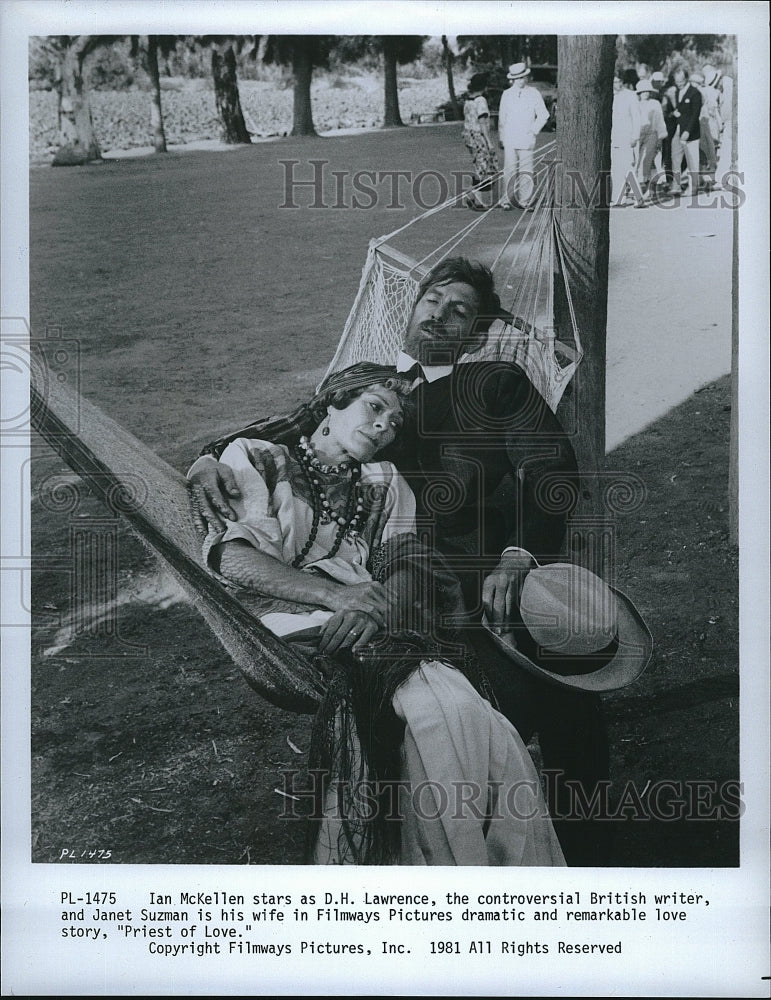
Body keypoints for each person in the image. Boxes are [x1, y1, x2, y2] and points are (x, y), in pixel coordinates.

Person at [189, 257, 611, 865]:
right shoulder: (374, 388)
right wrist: (207, 457)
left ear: (480, 331)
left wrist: (519, 556)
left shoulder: (496, 382)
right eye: (433, 300)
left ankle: (585, 847)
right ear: (411, 308)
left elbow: (551, 472)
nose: (440, 315)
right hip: (382, 571)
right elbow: (292, 430)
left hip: (481, 571)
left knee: (563, 680)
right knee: (436, 700)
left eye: (460, 310)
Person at [497, 62, 550, 211]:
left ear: (526, 77)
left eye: (523, 77)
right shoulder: (506, 94)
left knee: (526, 170)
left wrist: (533, 130)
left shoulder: (534, 93)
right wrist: (502, 137)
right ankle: (506, 199)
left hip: (526, 138)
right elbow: (502, 118)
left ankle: (525, 200)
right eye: (517, 78)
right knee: (509, 169)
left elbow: (544, 115)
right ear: (512, 79)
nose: (521, 81)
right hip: (510, 138)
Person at [461, 72, 499, 211]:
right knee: (482, 167)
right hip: (478, 136)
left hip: (468, 136)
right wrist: (489, 141)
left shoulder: (468, 100)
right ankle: (477, 199)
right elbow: (482, 122)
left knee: (479, 165)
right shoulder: (480, 100)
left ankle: (472, 196)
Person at [668, 65, 702, 197]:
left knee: (692, 160)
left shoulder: (695, 93)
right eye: (677, 82)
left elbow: (695, 114)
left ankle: (693, 188)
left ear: (686, 79)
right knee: (675, 158)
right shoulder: (677, 91)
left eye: (681, 82)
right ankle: (676, 186)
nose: (679, 85)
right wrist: (676, 113)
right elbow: (681, 109)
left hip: (691, 132)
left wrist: (688, 131)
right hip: (678, 129)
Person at [611, 70, 640, 206]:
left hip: (627, 136)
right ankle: (618, 198)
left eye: (619, 81)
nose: (617, 84)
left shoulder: (630, 95)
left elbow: (636, 117)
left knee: (628, 166)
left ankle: (638, 197)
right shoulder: (609, 96)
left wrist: (635, 135)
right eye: (614, 82)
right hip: (614, 137)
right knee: (616, 169)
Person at [635, 79, 667, 203]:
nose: (646, 94)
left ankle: (649, 190)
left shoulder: (655, 103)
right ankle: (639, 189)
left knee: (649, 161)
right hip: (638, 135)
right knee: (637, 162)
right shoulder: (635, 104)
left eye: (647, 91)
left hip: (652, 134)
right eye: (643, 92)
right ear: (639, 93)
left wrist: (660, 137)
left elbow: (659, 121)